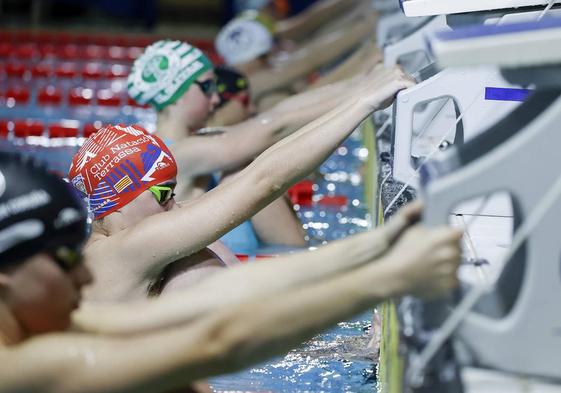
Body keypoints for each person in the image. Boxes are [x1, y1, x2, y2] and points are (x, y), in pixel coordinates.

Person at [0, 152, 463, 393]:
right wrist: (389, 279)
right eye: (66, 262)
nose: (84, 278)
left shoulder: (54, 323)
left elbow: (216, 301)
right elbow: (214, 341)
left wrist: (374, 246)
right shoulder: (19, 369)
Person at [74, 65, 418, 302]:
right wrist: (363, 102)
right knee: (194, 270)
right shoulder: (127, 250)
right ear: (117, 198)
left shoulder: (120, 246)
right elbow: (262, 180)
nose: (174, 202)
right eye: (164, 193)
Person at [208, 65, 307, 253]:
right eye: (245, 101)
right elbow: (293, 249)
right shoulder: (242, 169)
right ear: (217, 104)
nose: (252, 109)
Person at [215, 7, 378, 107]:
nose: (283, 47)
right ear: (255, 57)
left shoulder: (250, 75)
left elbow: (314, 38)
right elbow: (310, 60)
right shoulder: (254, 85)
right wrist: (368, 52)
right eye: (275, 43)